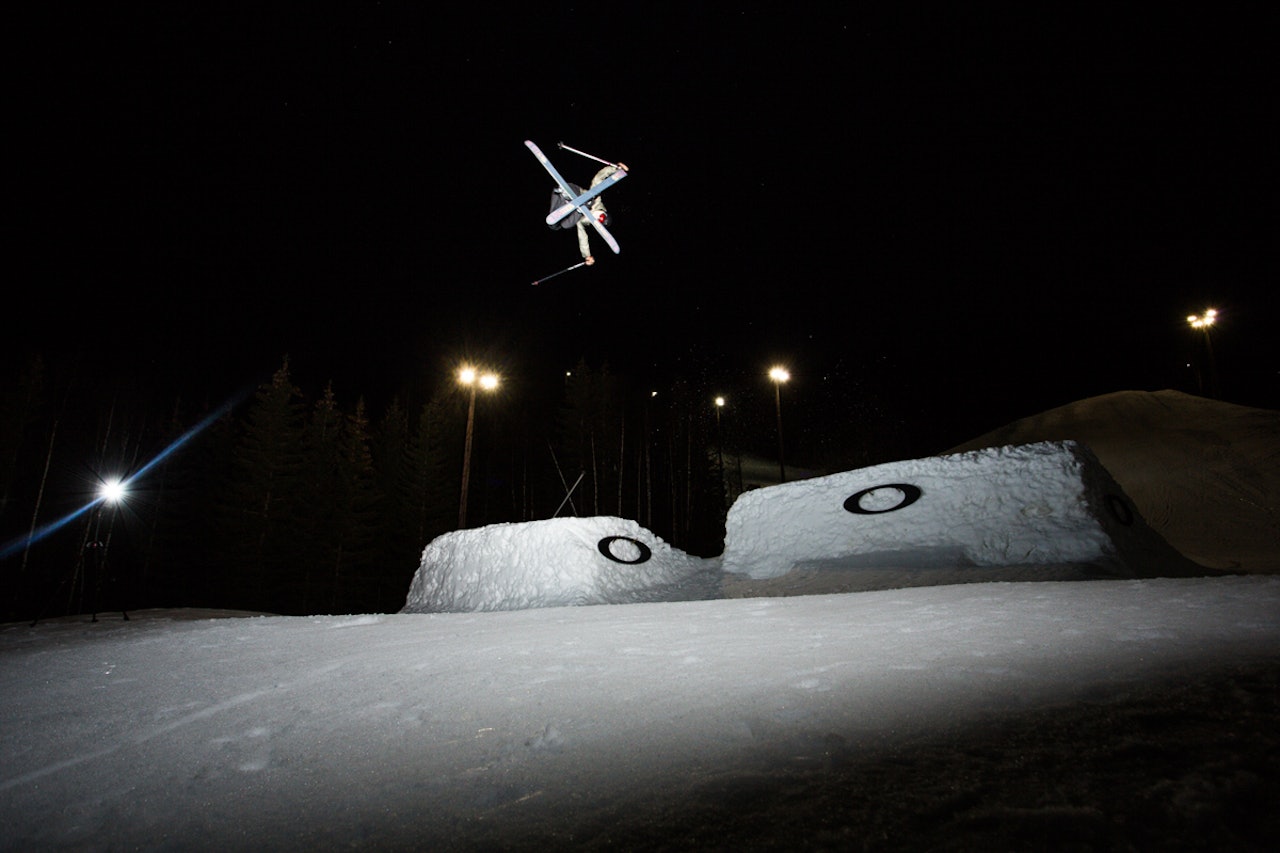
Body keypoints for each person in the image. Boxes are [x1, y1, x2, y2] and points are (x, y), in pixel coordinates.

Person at [547, 162, 628, 265]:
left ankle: (562, 193)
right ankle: (581, 200)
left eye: (599, 221)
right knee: (590, 199)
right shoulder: (597, 200)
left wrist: (587, 255)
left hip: (563, 202)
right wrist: (616, 169)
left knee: (559, 225)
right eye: (602, 217)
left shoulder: (586, 221)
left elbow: (583, 237)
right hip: (576, 191)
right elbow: (598, 178)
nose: (599, 218)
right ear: (604, 212)